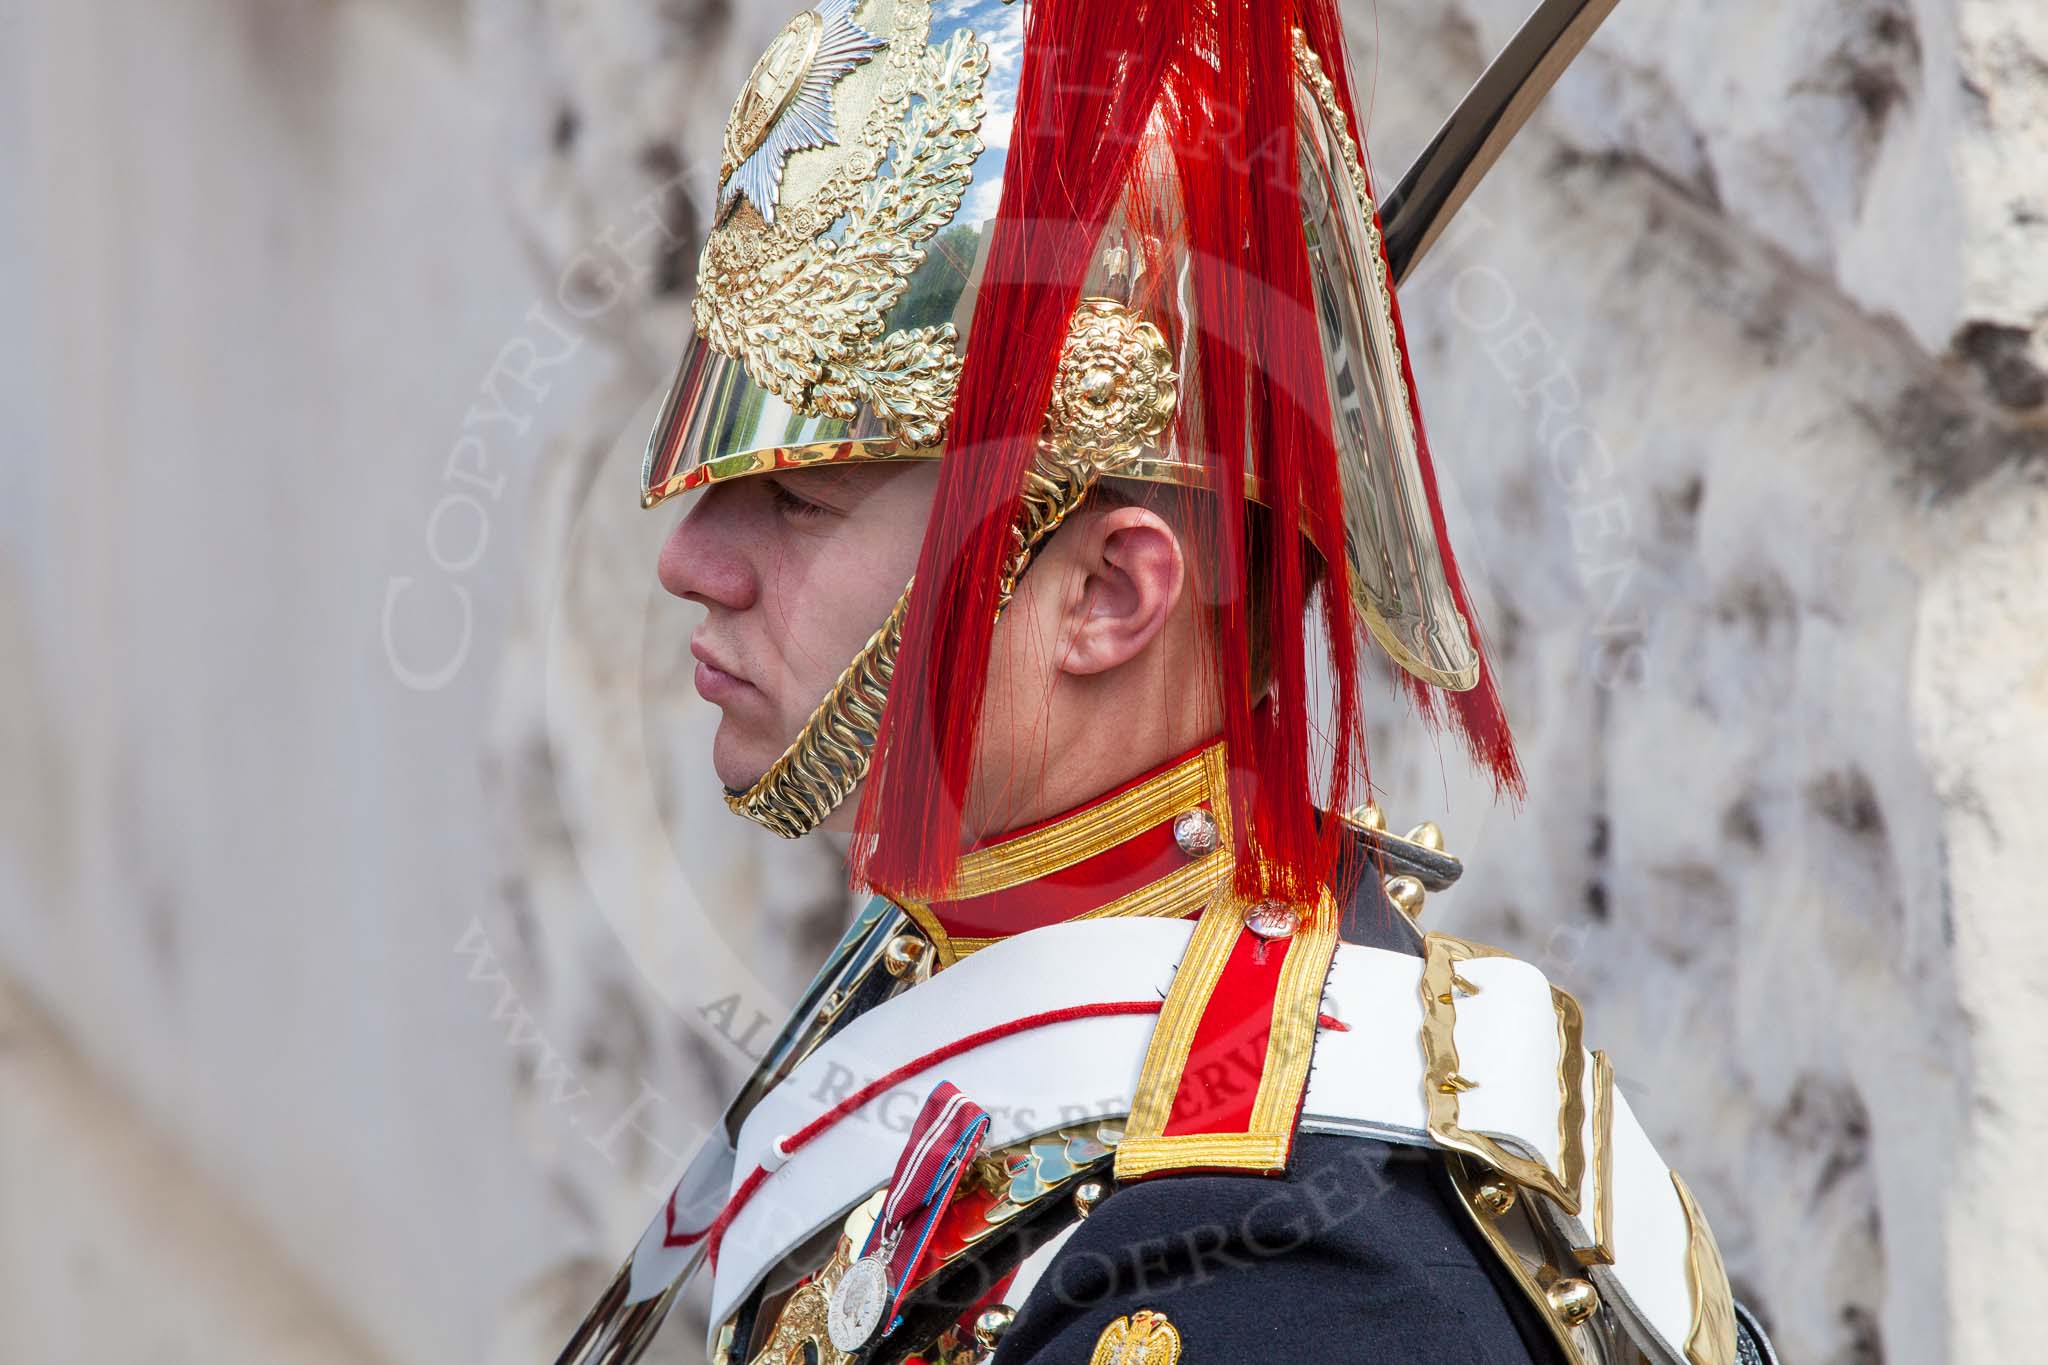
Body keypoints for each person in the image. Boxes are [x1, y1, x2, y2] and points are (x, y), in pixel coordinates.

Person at [563, 0, 1782, 1361]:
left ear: (1108, 593)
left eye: (794, 497)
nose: (689, 560)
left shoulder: (1280, 1279)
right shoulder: (945, 963)